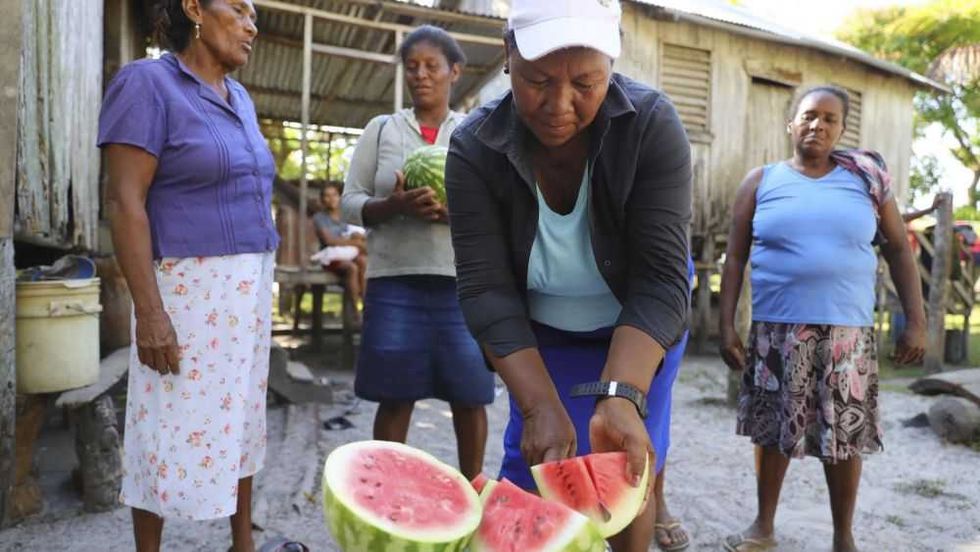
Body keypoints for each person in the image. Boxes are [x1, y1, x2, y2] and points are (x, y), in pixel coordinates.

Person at [445, 1, 693, 549]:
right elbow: (486, 289)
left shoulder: (651, 124)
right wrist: (538, 406)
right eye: (538, 81)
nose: (559, 105)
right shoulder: (472, 148)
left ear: (612, 62)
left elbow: (661, 282)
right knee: (533, 464)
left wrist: (623, 394)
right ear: (509, 56)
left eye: (586, 82)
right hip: (542, 334)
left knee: (624, 464)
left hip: (638, 324)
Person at [97, 1, 284, 551]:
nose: (252, 24)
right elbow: (125, 202)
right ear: (195, 7)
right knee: (166, 425)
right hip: (188, 288)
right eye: (241, 9)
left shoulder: (241, 98)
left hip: (249, 284)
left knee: (244, 418)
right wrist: (150, 314)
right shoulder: (148, 83)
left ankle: (241, 543)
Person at [718, 85, 927, 552]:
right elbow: (735, 257)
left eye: (830, 119)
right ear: (791, 123)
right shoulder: (761, 181)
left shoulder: (865, 181)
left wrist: (917, 320)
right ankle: (763, 528)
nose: (819, 126)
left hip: (846, 334)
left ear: (841, 129)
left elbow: (897, 249)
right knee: (773, 433)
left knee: (845, 436)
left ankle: (842, 537)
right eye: (810, 116)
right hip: (777, 331)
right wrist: (726, 323)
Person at [340, 25, 493, 480]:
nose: (421, 75)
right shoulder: (382, 129)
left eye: (432, 66)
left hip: (461, 285)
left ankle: (473, 492)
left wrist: (458, 216)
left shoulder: (475, 134)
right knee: (395, 395)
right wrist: (394, 206)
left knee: (471, 395)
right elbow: (351, 201)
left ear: (455, 72)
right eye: (412, 67)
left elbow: (495, 209)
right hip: (395, 282)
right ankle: (382, 496)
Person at [312, 181, 367, 322]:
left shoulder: (346, 216)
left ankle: (367, 305)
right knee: (352, 268)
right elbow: (329, 241)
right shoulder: (319, 218)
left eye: (334, 195)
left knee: (363, 261)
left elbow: (358, 234)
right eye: (327, 196)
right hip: (331, 258)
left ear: (339, 197)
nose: (331, 199)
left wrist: (355, 241)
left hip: (351, 254)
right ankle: (356, 310)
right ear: (322, 199)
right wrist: (354, 242)